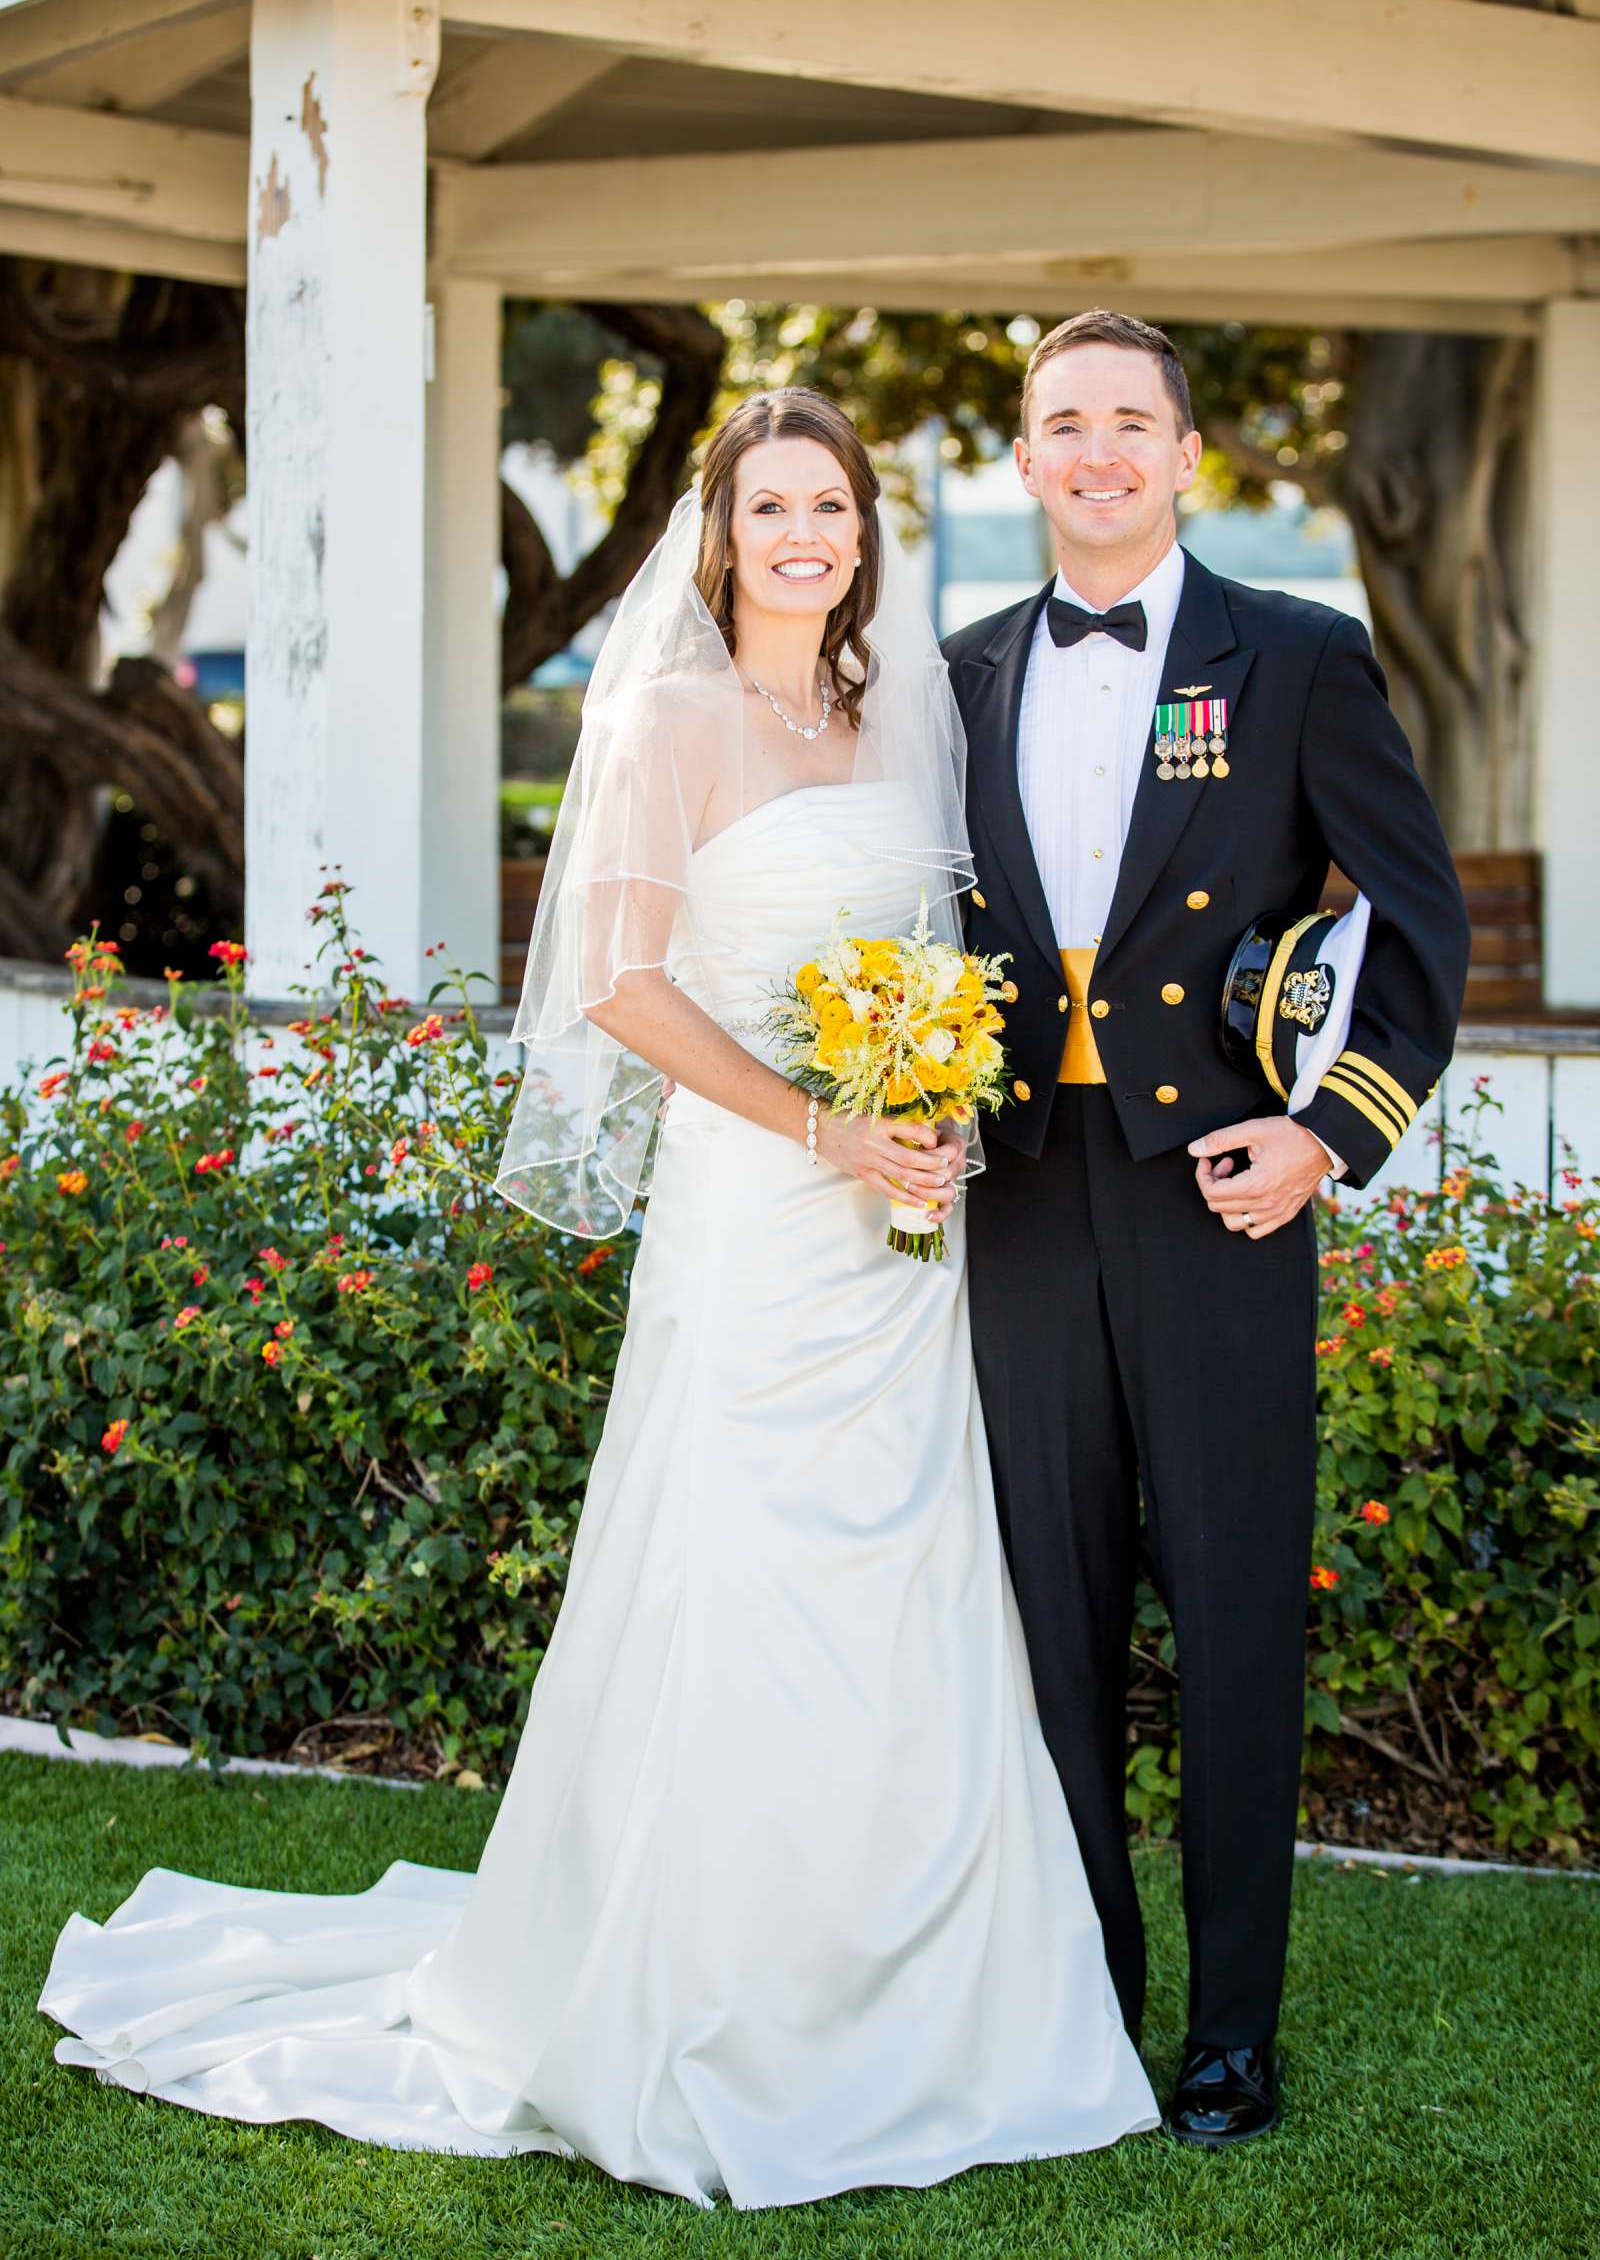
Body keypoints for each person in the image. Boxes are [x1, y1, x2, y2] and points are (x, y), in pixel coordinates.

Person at [39, 391, 1157, 2210]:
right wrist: (826, 1125)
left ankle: (937, 2011)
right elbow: (625, 990)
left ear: (866, 533)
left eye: (832, 508)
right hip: (758, 1218)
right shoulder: (667, 719)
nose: (805, 536)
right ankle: (710, 2001)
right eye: (770, 508)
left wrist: (926, 1103)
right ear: (717, 538)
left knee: (908, 1586)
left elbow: (951, 960)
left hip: (902, 1240)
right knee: (746, 1581)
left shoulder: (906, 713)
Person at [945, 311, 1470, 2147]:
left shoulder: (1303, 658)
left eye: (1127, 424)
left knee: (1239, 1616)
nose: (1094, 453)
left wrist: (1330, 1134)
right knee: (1055, 1615)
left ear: (1185, 457)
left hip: (1222, 1199)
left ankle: (1232, 2034)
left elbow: (1420, 930)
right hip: (1014, 1198)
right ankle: (1092, 1998)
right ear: (1026, 460)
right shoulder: (958, 675)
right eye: (1060, 423)